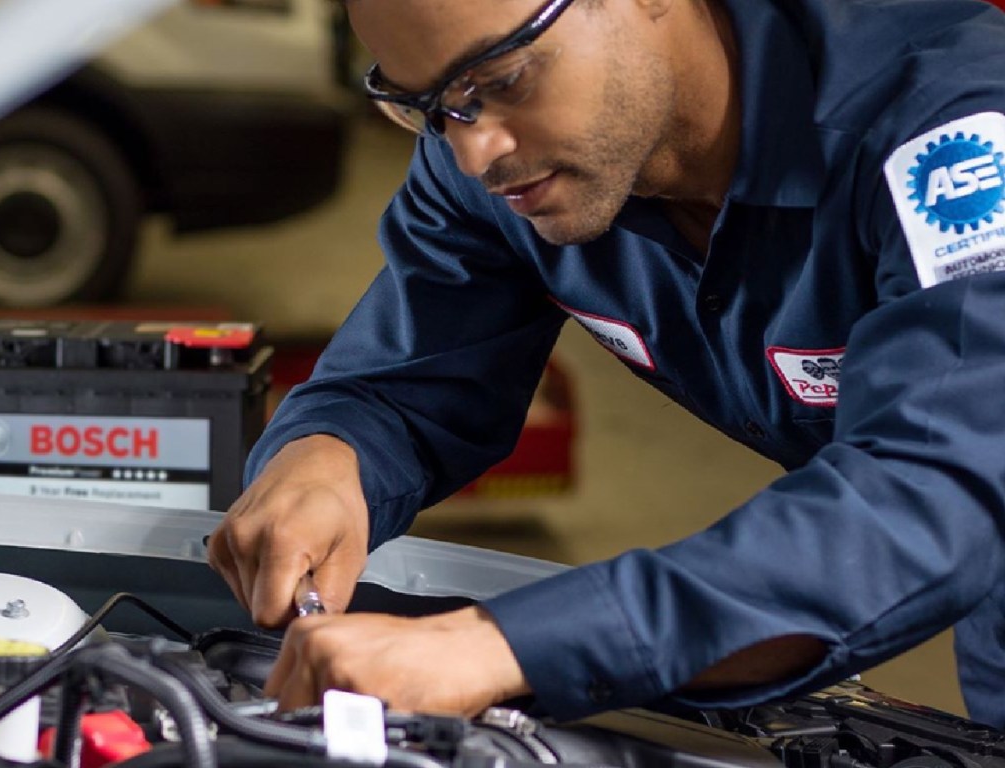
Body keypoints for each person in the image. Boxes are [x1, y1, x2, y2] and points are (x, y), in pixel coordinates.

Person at [207, 0, 1005, 727]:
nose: (476, 150)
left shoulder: (957, 130)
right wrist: (324, 460)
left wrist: (502, 648)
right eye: (429, 106)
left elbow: (933, 487)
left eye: (506, 75)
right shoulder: (494, 164)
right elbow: (404, 384)